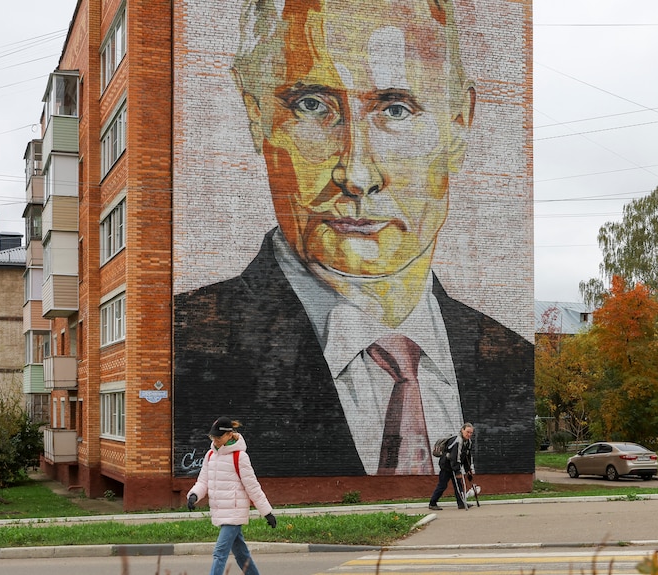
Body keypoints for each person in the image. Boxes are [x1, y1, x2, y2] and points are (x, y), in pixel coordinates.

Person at [173, 0, 534, 478]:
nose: (357, 174)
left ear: (459, 126)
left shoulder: (512, 362)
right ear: (255, 112)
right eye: (313, 105)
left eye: (397, 109)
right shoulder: (185, 349)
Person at [186, 417, 277, 575]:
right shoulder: (210, 456)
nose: (215, 440)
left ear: (229, 435)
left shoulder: (240, 457)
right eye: (213, 437)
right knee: (241, 554)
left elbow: (252, 487)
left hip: (235, 512)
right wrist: (194, 495)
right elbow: (203, 481)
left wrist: (267, 512)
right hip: (220, 511)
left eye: (218, 437)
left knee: (219, 553)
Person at [429, 423, 474, 510]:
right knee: (442, 485)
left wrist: (468, 469)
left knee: (458, 484)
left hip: (454, 466)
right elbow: (454, 458)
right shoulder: (458, 441)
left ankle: (461, 503)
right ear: (462, 430)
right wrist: (457, 471)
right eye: (467, 432)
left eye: (471, 433)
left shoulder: (468, 442)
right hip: (446, 465)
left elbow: (466, 457)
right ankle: (432, 503)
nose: (469, 434)